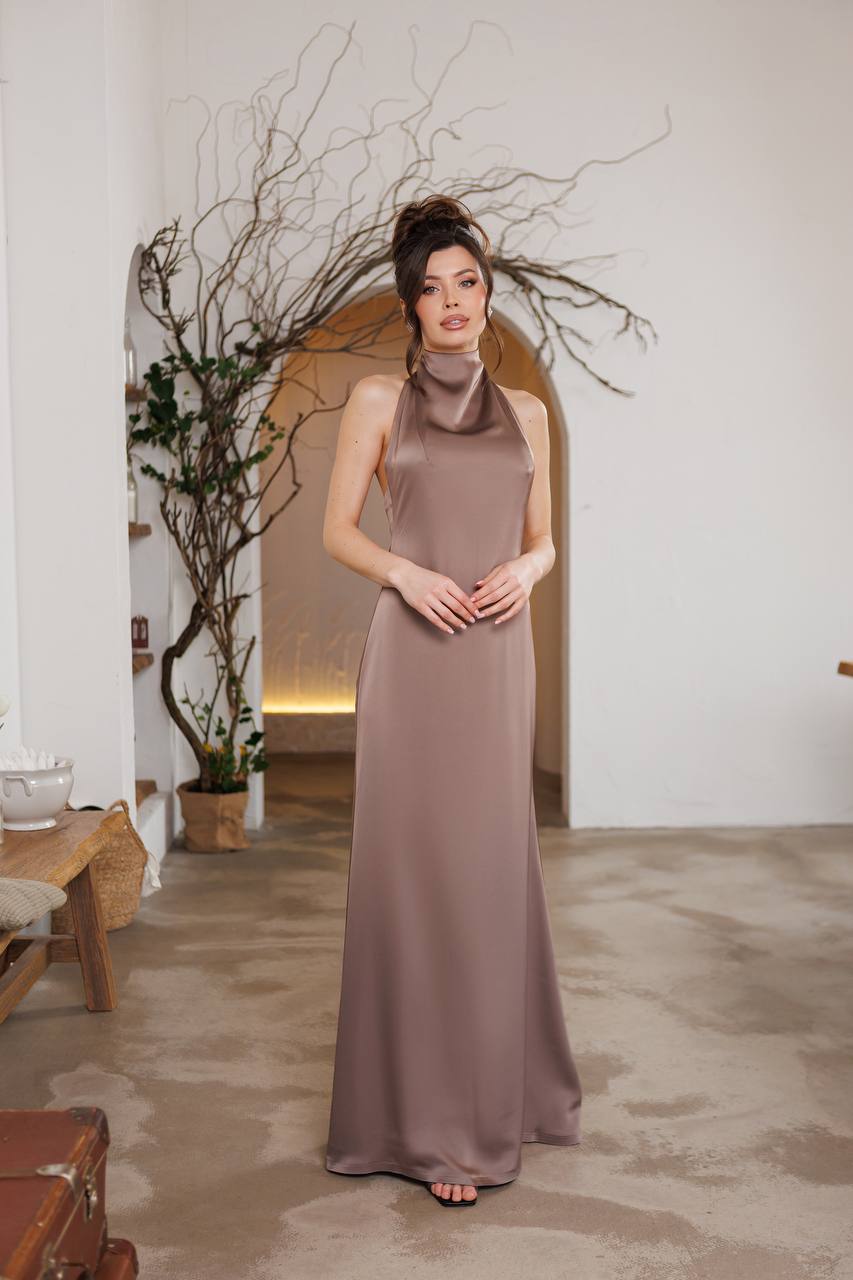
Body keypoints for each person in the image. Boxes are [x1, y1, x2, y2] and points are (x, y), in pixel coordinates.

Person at [322, 195, 582, 1208]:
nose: (452, 301)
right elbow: (338, 530)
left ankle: (496, 1100)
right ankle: (430, 1126)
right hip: (414, 653)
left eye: (466, 282)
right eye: (431, 288)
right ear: (411, 307)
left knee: (487, 868)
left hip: (497, 654)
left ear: (487, 291)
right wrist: (404, 572)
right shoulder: (376, 403)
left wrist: (529, 569)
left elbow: (545, 538)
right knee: (413, 874)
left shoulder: (527, 414)